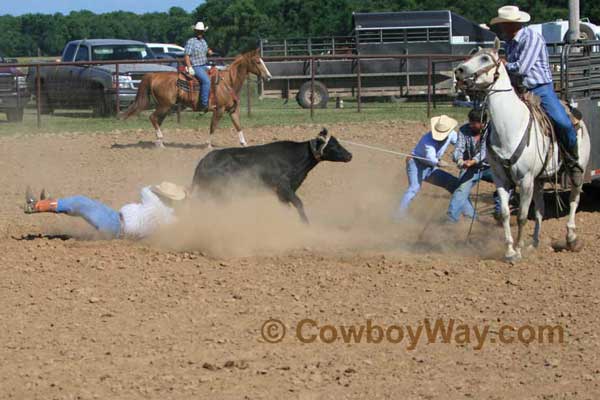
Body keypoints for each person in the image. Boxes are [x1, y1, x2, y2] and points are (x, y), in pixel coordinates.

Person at [490, 5, 583, 185]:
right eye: (501, 25)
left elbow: (523, 68)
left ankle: (573, 161)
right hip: (518, 88)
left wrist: (502, 65)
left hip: (540, 88)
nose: (501, 28)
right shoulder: (509, 41)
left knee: (562, 122)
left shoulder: (531, 38)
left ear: (512, 24)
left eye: (503, 24)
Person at [24, 182, 187, 240]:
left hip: (115, 223)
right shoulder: (170, 217)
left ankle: (35, 205)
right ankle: (51, 204)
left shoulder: (154, 200)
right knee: (83, 206)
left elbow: (145, 189)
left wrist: (157, 188)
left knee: (81, 202)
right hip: (116, 224)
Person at [393, 115, 472, 221]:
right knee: (414, 187)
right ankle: (398, 215)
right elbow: (431, 158)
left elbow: (460, 144)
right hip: (416, 163)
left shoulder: (452, 134)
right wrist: (439, 162)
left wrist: (466, 157)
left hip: (429, 167)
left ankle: (470, 214)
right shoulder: (427, 140)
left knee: (454, 183)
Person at [446, 109, 497, 223]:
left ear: (483, 123)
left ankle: (500, 214)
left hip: (491, 167)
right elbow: (459, 148)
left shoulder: (491, 131)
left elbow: (485, 151)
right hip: (471, 168)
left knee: (506, 185)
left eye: (474, 123)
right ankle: (451, 220)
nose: (471, 125)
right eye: (470, 122)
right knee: (460, 190)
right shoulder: (464, 130)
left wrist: (472, 161)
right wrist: (459, 160)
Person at [184, 21, 213, 112]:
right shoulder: (191, 41)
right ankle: (203, 104)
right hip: (196, 66)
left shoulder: (204, 41)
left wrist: (209, 51)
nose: (200, 33)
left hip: (204, 65)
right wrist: (189, 67)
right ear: (195, 31)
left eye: (201, 31)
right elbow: (186, 55)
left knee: (217, 77)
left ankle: (214, 99)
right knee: (206, 81)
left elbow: (206, 49)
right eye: (198, 31)